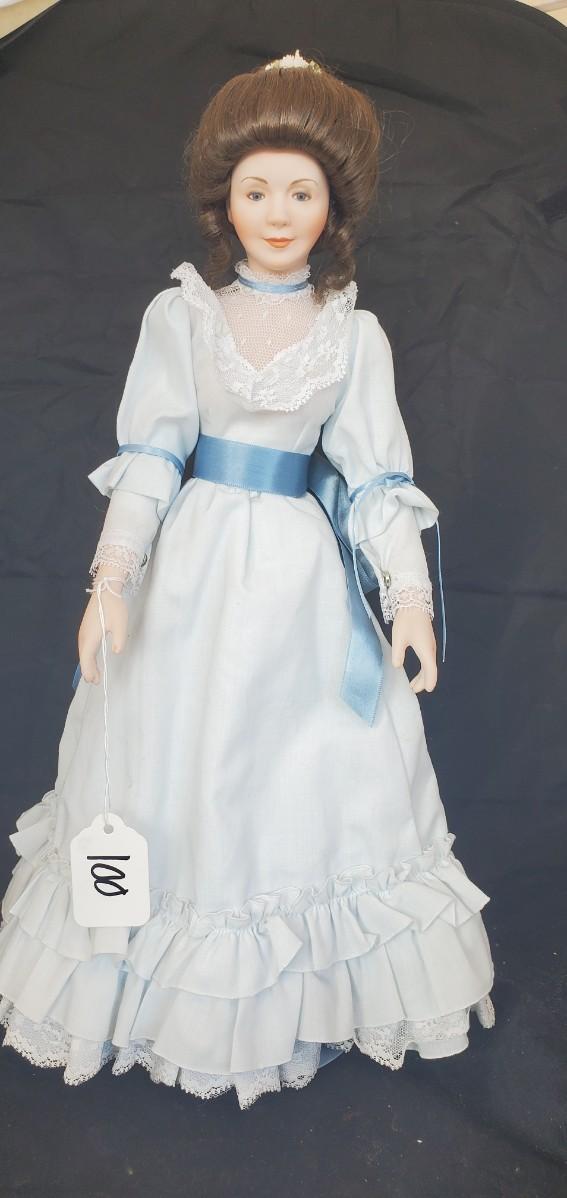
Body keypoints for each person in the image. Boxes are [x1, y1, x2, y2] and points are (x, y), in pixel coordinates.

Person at [0, 50, 495, 1110]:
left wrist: (408, 599)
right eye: (257, 189)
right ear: (223, 200)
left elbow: (376, 479)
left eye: (300, 192)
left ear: (333, 206)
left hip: (300, 592)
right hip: (190, 579)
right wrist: (111, 577)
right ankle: (141, 979)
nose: (277, 212)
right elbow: (149, 458)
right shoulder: (183, 317)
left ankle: (291, 995)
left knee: (297, 773)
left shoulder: (353, 333)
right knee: (164, 763)